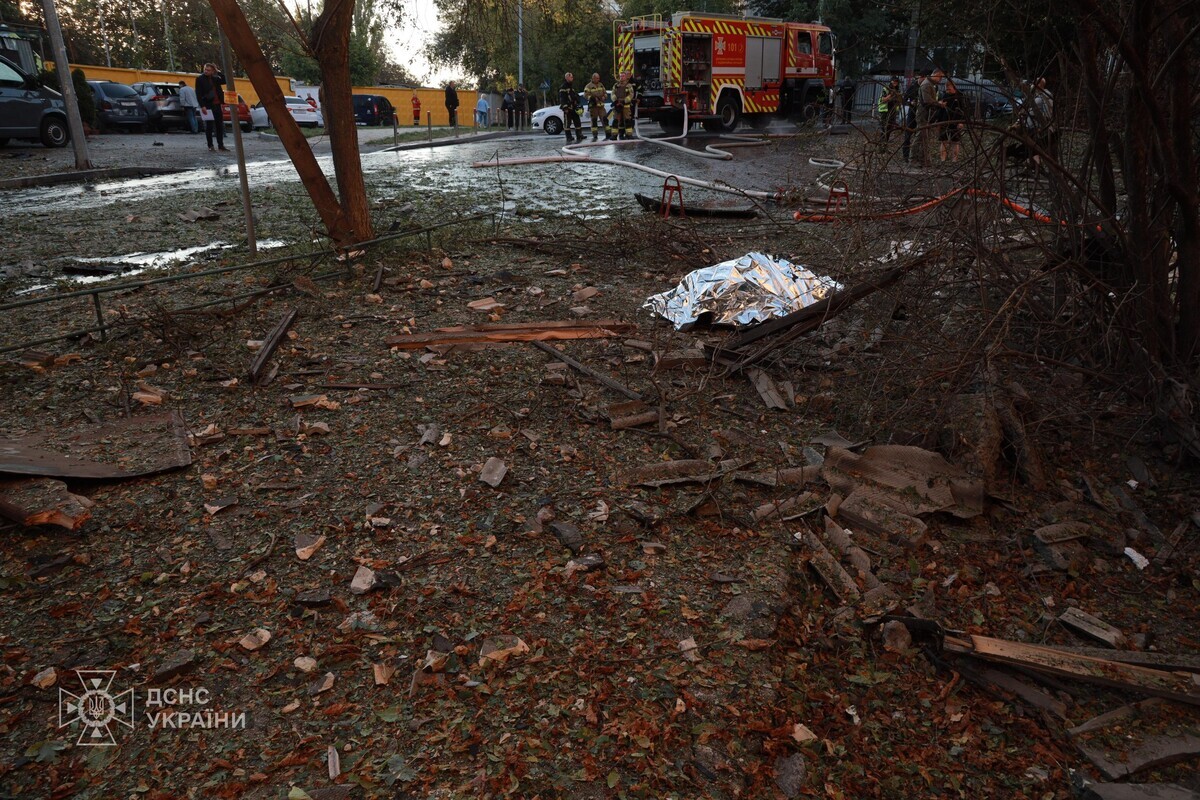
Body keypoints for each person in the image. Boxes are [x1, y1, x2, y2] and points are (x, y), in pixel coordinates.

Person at [915, 69, 945, 165]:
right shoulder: (927, 84)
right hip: (923, 114)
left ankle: (923, 159)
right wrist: (938, 103)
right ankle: (913, 159)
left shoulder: (930, 84)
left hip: (927, 114)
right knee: (920, 136)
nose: (941, 79)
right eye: (940, 77)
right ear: (936, 75)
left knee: (925, 137)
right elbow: (927, 100)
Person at [195, 63, 227, 152]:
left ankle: (221, 145)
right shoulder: (200, 79)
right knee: (209, 126)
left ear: (213, 71)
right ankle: (210, 145)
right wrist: (202, 106)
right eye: (205, 69)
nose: (206, 71)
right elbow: (198, 93)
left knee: (219, 125)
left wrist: (218, 72)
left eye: (208, 70)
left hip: (217, 104)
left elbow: (225, 80)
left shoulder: (215, 78)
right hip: (207, 105)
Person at [939, 79, 965, 162]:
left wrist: (961, 122)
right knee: (943, 141)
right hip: (944, 121)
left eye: (949, 89)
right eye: (946, 89)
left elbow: (964, 110)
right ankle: (943, 159)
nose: (947, 91)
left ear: (953, 87)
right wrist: (938, 121)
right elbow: (940, 110)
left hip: (956, 121)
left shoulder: (960, 96)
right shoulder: (944, 95)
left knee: (955, 141)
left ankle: (954, 160)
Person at [901, 73, 923, 162]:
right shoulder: (912, 87)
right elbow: (904, 100)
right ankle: (906, 155)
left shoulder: (926, 87)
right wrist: (911, 103)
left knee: (919, 136)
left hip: (921, 114)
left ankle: (915, 155)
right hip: (912, 113)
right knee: (908, 135)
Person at [583, 73, 609, 141]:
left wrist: (604, 97)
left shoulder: (601, 85)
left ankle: (608, 134)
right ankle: (595, 135)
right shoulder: (588, 86)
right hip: (593, 107)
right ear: (593, 78)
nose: (598, 79)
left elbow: (605, 93)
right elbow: (585, 95)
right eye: (597, 78)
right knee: (594, 121)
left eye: (599, 78)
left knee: (605, 120)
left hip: (601, 106)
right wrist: (593, 98)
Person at [610, 71, 635, 140]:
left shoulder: (629, 85)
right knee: (616, 120)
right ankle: (614, 135)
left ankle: (629, 135)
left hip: (626, 106)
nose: (622, 77)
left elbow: (631, 95)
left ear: (626, 77)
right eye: (621, 76)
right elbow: (612, 94)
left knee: (627, 120)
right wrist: (615, 101)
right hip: (617, 105)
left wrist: (624, 101)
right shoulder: (616, 85)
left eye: (623, 76)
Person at [558, 71, 582, 144]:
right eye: (571, 77)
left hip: (574, 107)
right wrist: (565, 107)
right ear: (567, 78)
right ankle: (569, 137)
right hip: (568, 108)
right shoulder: (563, 87)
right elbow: (562, 98)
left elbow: (576, 95)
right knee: (567, 123)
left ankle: (579, 135)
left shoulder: (572, 86)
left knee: (577, 122)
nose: (572, 78)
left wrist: (577, 102)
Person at [876, 76, 902, 143]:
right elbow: (883, 99)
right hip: (884, 110)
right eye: (894, 81)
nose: (895, 82)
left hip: (892, 111)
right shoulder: (886, 89)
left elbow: (900, 101)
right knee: (884, 127)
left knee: (889, 128)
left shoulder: (898, 90)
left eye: (896, 81)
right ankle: (881, 142)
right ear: (891, 81)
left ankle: (885, 142)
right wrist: (891, 94)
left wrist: (898, 97)